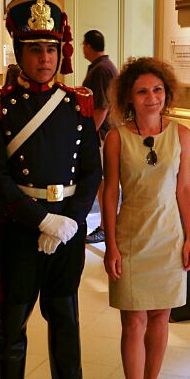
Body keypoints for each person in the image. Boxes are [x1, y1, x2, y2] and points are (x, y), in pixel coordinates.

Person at [0, 0, 107, 379]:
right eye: (35, 49)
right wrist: (41, 220)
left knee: (65, 318)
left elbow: (91, 170)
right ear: (20, 53)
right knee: (11, 327)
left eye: (51, 49)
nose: (44, 58)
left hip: (67, 231)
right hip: (19, 231)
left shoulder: (78, 104)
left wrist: (71, 218)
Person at [102, 57, 190, 379]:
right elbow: (109, 194)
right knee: (134, 323)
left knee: (160, 318)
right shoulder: (116, 137)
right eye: (143, 91)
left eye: (157, 90)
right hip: (131, 237)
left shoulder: (182, 134)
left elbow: (185, 189)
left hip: (169, 238)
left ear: (167, 94)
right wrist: (110, 244)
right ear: (129, 96)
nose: (152, 97)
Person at [82, 30, 119, 244]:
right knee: (102, 182)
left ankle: (106, 227)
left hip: (103, 135)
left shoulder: (102, 70)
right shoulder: (103, 67)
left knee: (104, 182)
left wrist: (89, 134)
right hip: (101, 134)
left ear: (89, 46)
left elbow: (102, 106)